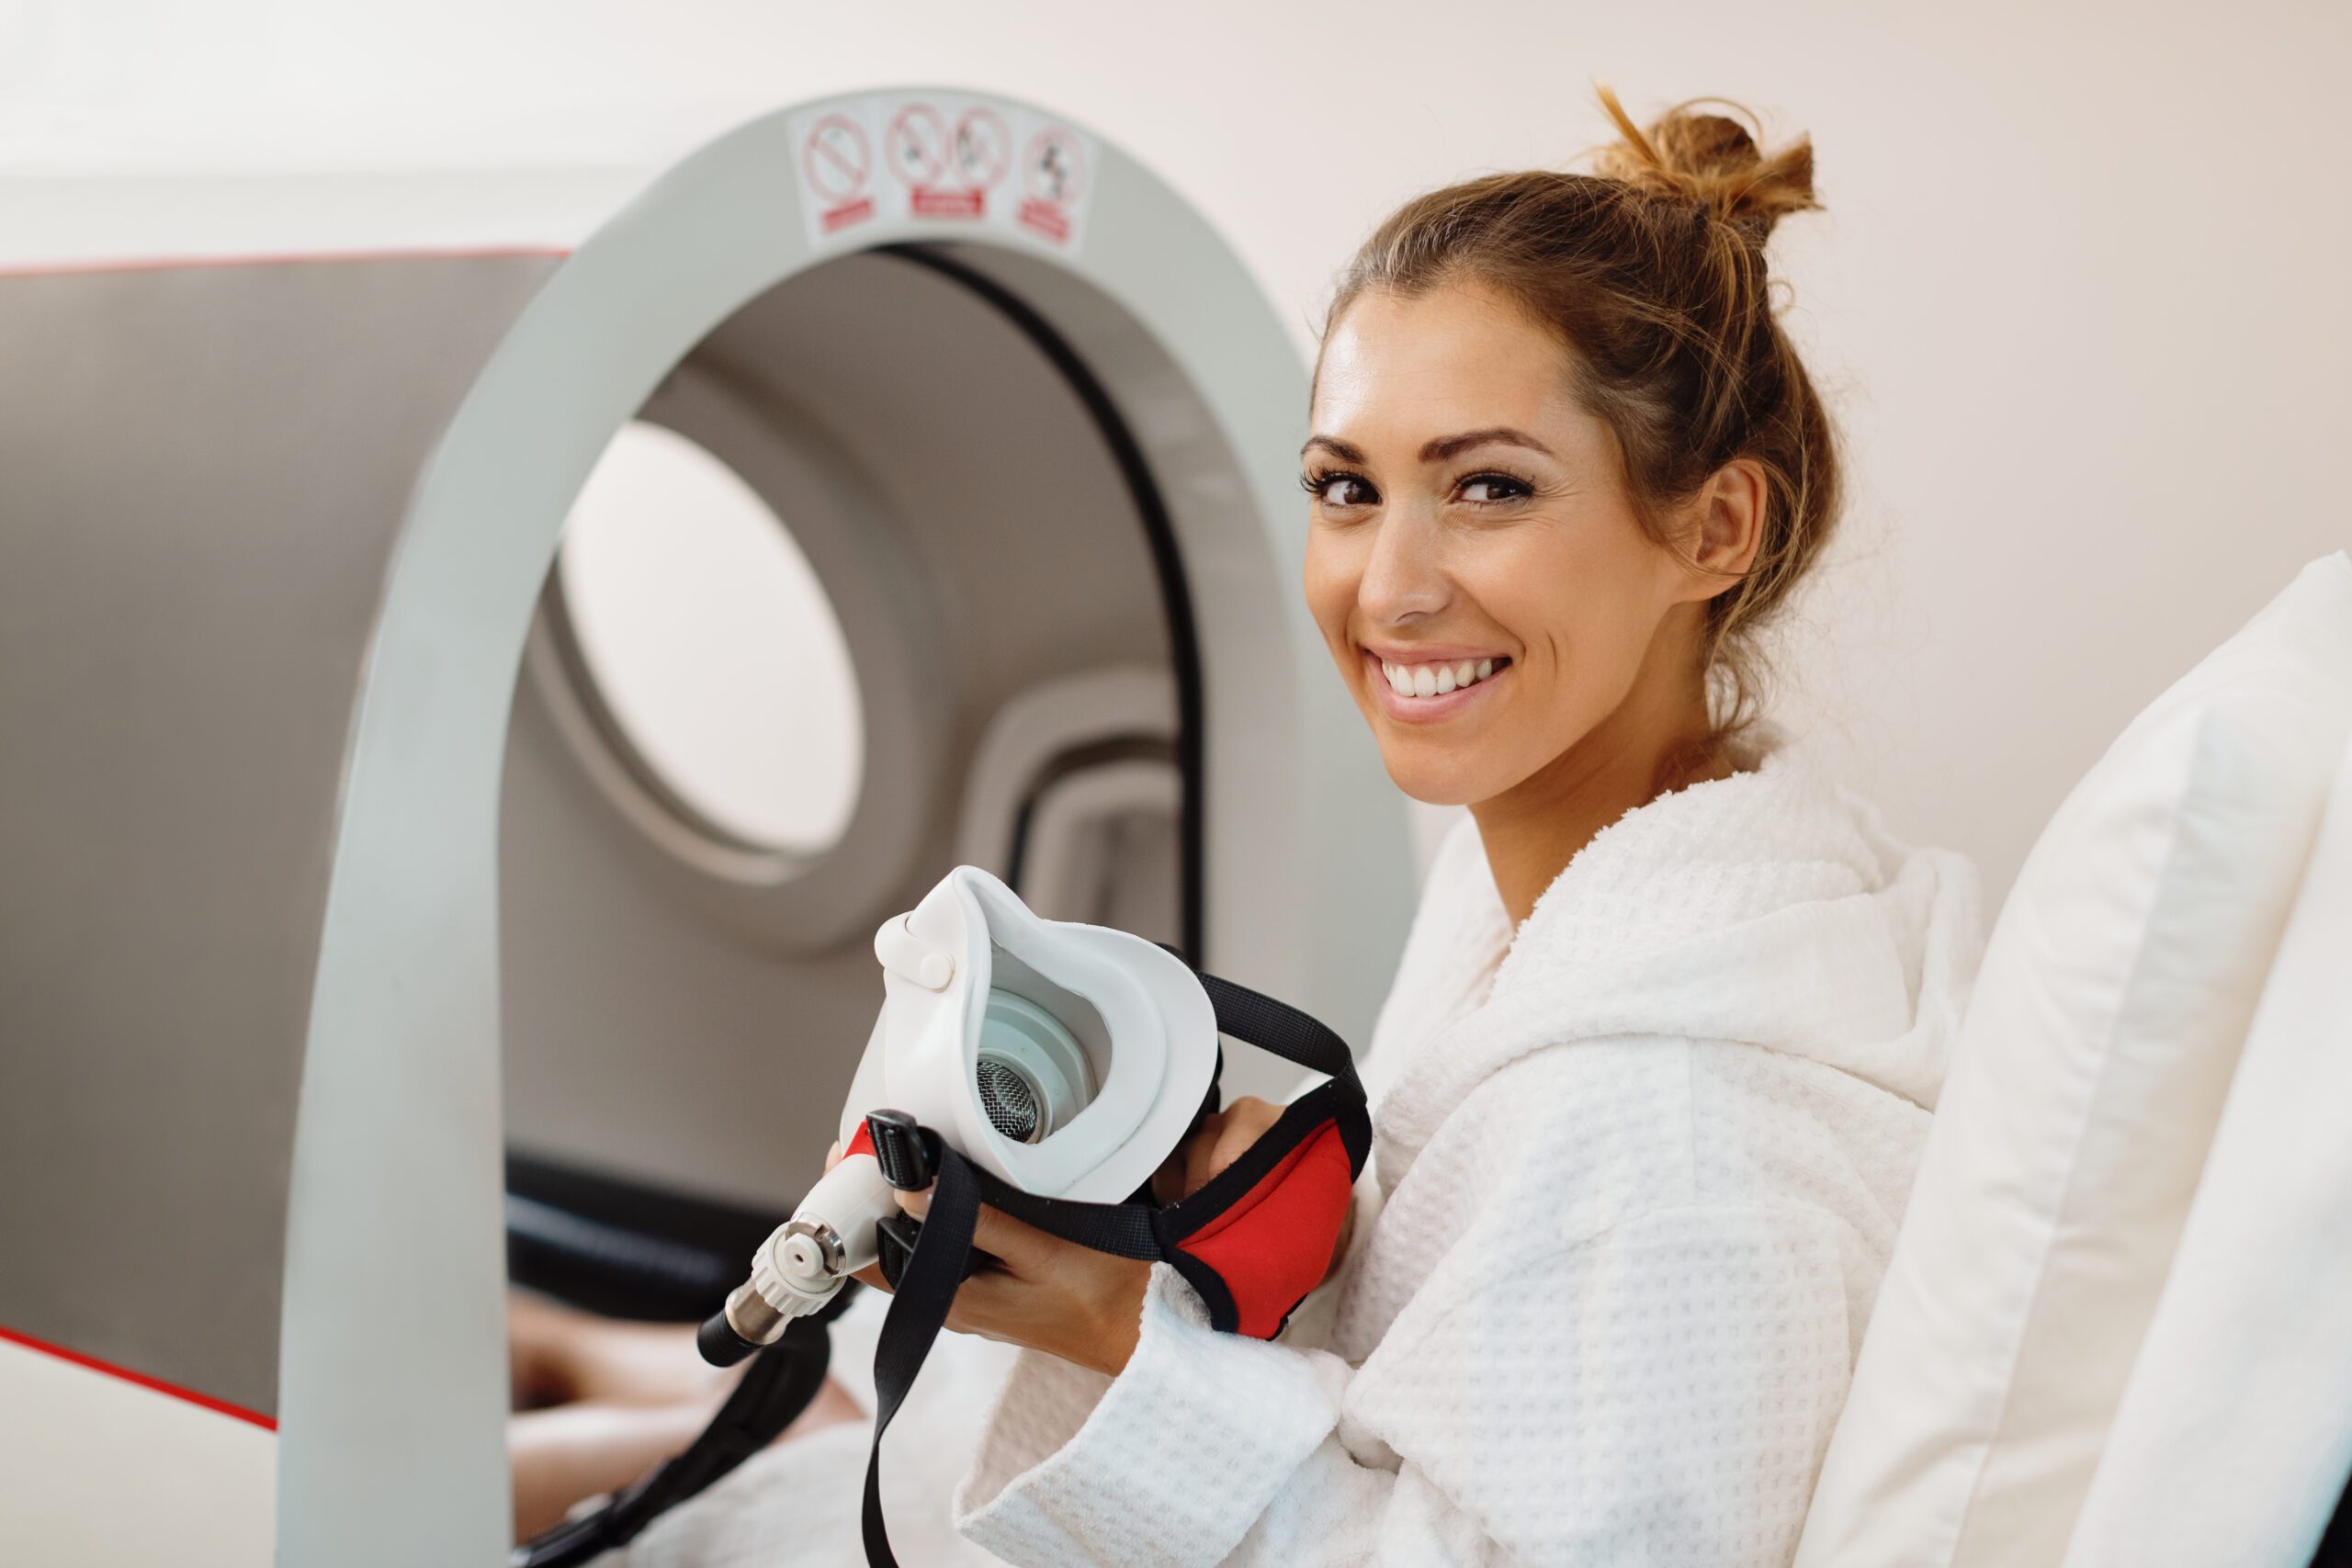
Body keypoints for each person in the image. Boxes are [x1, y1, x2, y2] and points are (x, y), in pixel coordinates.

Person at [516, 86, 1982, 1566]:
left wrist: (1120, 1337)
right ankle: (573, 1364)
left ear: (1715, 530)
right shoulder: (1597, 922)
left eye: (1488, 488)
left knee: (675, 1488)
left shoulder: (1688, 1122)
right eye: (1346, 489)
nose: (1389, 586)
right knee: (733, 1425)